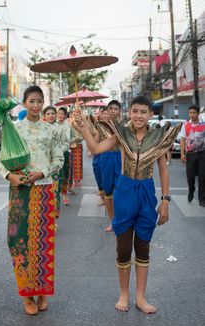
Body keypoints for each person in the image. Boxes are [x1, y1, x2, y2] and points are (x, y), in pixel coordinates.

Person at [72, 95, 181, 314]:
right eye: (135, 111)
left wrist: (166, 200)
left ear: (150, 114)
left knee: (142, 246)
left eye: (143, 112)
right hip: (124, 191)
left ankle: (141, 297)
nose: (138, 116)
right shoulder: (121, 134)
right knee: (123, 248)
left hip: (146, 193)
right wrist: (83, 127)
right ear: (129, 113)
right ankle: (124, 294)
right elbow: (95, 148)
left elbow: (163, 168)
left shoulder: (159, 137)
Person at [0, 86, 64, 315]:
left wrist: (42, 173)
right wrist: (10, 176)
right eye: (31, 101)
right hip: (20, 193)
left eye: (39, 101)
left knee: (43, 245)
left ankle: (42, 292)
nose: (36, 105)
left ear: (43, 103)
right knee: (18, 243)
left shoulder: (51, 130)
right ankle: (27, 296)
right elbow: (1, 161)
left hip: (44, 191)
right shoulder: (14, 130)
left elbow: (58, 159)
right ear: (25, 103)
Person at [96, 100, 122, 232]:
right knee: (108, 190)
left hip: (120, 158)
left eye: (115, 109)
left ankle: (120, 220)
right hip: (105, 158)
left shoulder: (125, 126)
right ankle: (112, 221)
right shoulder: (101, 126)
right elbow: (95, 142)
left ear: (119, 112)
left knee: (120, 190)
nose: (113, 111)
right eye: (110, 108)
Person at [180, 105, 205, 206]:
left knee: (203, 177)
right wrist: (182, 154)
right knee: (190, 177)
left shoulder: (203, 125)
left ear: (198, 113)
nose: (192, 115)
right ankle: (191, 190)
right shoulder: (185, 125)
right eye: (190, 113)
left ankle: (202, 199)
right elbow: (182, 139)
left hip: (202, 154)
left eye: (194, 112)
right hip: (190, 155)